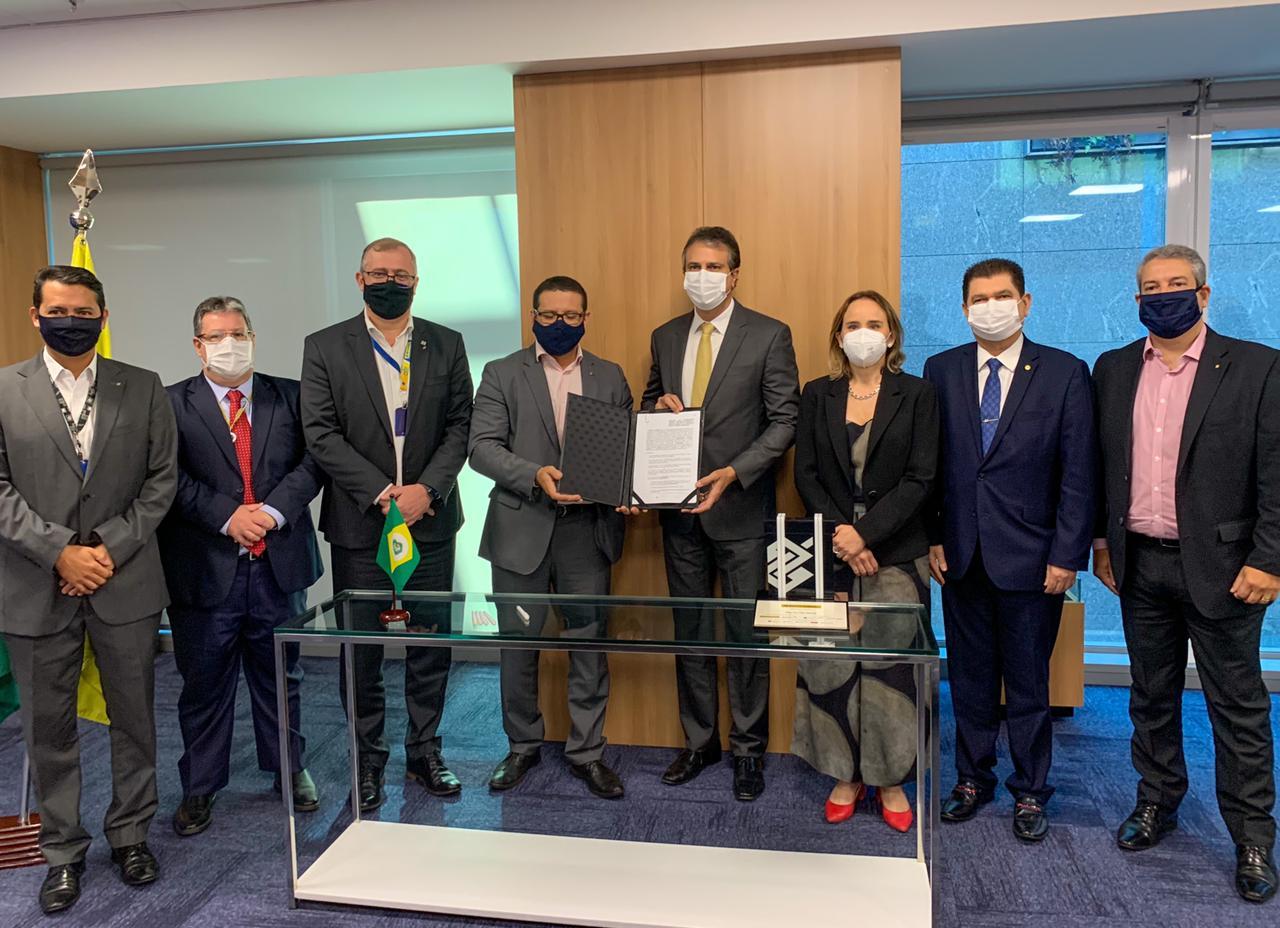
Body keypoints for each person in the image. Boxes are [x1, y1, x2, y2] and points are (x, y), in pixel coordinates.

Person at [1092, 244, 1278, 904]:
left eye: (1176, 284)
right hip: (1140, 562)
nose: (1162, 294)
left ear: (1203, 294)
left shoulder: (1257, 367)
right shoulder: (1114, 369)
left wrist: (1270, 558)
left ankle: (1253, 836)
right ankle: (1157, 800)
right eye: (1151, 287)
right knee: (1150, 694)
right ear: (1137, 299)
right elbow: (1103, 465)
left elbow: (1276, 473)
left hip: (1227, 568)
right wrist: (1102, 542)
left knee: (1237, 706)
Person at [0, 266, 177, 914]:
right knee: (48, 729)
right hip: (34, 584)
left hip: (123, 579)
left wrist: (106, 548)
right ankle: (62, 853)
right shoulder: (3, 389)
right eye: (57, 311)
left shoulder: (144, 385)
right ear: (35, 315)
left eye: (83, 312)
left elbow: (162, 479)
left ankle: (131, 835)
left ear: (103, 317)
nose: (70, 322)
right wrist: (58, 552)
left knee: (134, 719)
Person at [923, 257, 1096, 843]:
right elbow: (932, 465)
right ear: (963, 308)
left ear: (1025, 303)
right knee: (969, 680)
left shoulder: (1065, 372)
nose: (990, 307)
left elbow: (1079, 474)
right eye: (979, 298)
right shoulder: (941, 369)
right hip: (962, 555)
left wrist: (1067, 556)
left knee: (1028, 684)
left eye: (1002, 296)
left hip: (1034, 558)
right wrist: (934, 537)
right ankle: (972, 779)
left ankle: (1030, 788)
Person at [301, 237, 473, 811]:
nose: (390, 282)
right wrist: (381, 493)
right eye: (378, 273)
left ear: (416, 282)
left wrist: (428, 490)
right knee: (361, 651)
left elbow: (461, 424)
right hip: (360, 522)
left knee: (431, 645)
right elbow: (320, 432)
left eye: (401, 274)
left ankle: (425, 751)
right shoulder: (325, 346)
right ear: (360, 279)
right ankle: (368, 759)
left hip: (430, 519)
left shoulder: (446, 343)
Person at [640, 226, 799, 801]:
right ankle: (699, 741)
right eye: (693, 266)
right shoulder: (664, 336)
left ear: (734, 274)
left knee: (745, 637)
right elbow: (648, 403)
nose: (701, 276)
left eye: (712, 266)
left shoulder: (769, 334)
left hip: (740, 512)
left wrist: (734, 472)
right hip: (678, 511)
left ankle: (749, 750)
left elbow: (785, 421)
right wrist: (657, 407)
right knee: (690, 632)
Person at [159, 296, 325, 838]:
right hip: (205, 569)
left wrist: (271, 513)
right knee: (204, 683)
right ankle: (201, 785)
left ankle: (288, 768)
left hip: (279, 564)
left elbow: (313, 463)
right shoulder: (169, 404)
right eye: (216, 336)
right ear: (197, 345)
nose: (228, 345)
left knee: (282, 676)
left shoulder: (292, 396)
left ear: (252, 337)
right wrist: (228, 516)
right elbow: (166, 478)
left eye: (238, 334)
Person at [469, 275, 630, 800]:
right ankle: (521, 746)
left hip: (587, 533)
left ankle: (587, 752)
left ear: (586, 319)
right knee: (518, 647)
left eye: (571, 315)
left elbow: (627, 449)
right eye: (549, 315)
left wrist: (632, 485)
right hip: (521, 529)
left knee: (589, 646)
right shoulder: (501, 373)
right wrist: (534, 474)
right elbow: (482, 448)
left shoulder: (610, 375)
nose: (560, 323)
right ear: (533, 316)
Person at [792, 290, 939, 832]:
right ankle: (844, 774)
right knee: (830, 664)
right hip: (830, 548)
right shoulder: (818, 394)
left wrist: (867, 534)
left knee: (891, 671)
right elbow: (806, 474)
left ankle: (891, 779)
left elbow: (922, 478)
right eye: (852, 324)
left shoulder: (918, 394)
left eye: (874, 324)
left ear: (891, 334)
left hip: (896, 552)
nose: (863, 333)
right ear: (838, 335)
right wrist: (843, 536)